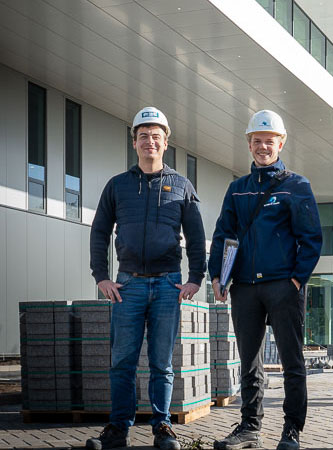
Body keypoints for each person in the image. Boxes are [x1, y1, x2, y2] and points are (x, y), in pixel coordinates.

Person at [87, 107, 207, 450]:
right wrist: (101, 277)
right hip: (128, 286)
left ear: (166, 142)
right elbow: (99, 232)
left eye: (156, 136)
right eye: (143, 136)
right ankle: (118, 429)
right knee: (122, 362)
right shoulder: (117, 186)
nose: (149, 142)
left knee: (161, 364)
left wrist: (195, 278)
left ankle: (162, 427)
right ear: (134, 142)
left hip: (168, 285)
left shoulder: (181, 185)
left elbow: (196, 237)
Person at [208, 110, 322, 450]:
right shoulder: (237, 189)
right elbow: (222, 234)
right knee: (249, 362)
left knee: (292, 361)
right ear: (249, 143)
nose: (263, 147)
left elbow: (311, 238)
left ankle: (292, 430)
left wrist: (297, 280)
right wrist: (216, 276)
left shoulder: (296, 186)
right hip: (245, 288)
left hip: (283, 286)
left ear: (281, 143)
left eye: (269, 141)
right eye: (257, 141)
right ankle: (249, 427)